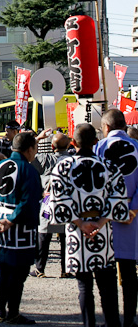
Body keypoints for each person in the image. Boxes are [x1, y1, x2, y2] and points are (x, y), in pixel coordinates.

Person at [48, 122, 129, 327]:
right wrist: (100, 222)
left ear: (73, 142)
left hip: (77, 231)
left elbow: (58, 201)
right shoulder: (109, 166)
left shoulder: (63, 167)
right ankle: (112, 323)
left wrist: (80, 223)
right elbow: (118, 198)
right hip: (101, 231)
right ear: (96, 142)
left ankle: (88, 324)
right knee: (108, 284)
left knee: (84, 286)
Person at [0, 131, 42, 325]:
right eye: (35, 149)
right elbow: (29, 200)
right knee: (19, 272)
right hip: (21, 225)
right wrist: (13, 219)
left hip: (1, 222)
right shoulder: (28, 170)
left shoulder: (0, 166)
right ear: (29, 149)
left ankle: (1, 311)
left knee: (4, 270)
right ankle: (13, 312)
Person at [95, 109, 138, 327]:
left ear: (106, 127)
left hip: (104, 217)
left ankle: (111, 319)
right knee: (130, 271)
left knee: (106, 271)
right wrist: (132, 210)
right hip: (132, 216)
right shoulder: (137, 147)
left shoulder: (98, 148)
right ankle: (130, 318)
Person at [29, 132, 72, 278]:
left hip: (48, 202)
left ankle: (40, 268)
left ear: (52, 146)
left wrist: (37, 139)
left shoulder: (46, 159)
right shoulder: (73, 160)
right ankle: (66, 269)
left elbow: (30, 159)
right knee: (66, 236)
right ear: (68, 145)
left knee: (44, 235)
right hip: (68, 203)